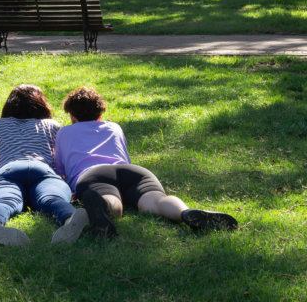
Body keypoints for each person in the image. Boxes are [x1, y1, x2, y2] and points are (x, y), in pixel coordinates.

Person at [53, 87, 238, 239]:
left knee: (113, 202)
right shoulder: (114, 127)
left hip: (93, 174)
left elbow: (61, 169)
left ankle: (103, 207)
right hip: (133, 172)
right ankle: (185, 212)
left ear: (72, 116)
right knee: (156, 200)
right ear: (100, 114)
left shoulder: (64, 132)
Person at [0, 84, 88, 246]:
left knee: (6, 200)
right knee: (52, 198)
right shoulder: (51, 126)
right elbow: (57, 156)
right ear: (42, 105)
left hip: (8, 169)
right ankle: (70, 219)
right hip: (42, 168)